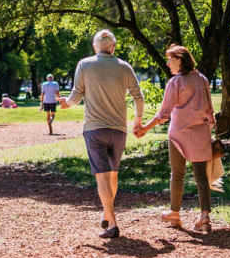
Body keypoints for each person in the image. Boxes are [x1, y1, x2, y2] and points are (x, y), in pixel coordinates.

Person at [65, 29, 144, 239]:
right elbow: (139, 96)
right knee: (113, 174)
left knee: (102, 176)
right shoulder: (124, 67)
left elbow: (76, 94)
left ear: (95, 47)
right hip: (118, 129)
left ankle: (112, 222)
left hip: (94, 128)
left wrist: (66, 103)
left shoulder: (85, 64)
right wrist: (138, 120)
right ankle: (106, 214)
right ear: (113, 47)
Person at [136, 44, 215, 233]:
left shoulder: (175, 83)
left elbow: (164, 113)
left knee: (177, 174)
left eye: (170, 59)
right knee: (201, 177)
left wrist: (146, 128)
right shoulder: (202, 79)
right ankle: (204, 216)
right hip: (201, 133)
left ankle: (175, 213)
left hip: (179, 134)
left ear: (180, 59)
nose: (168, 63)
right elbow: (210, 111)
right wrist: (208, 129)